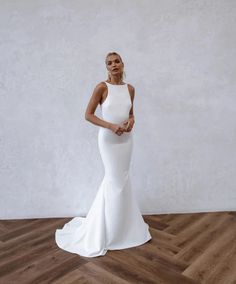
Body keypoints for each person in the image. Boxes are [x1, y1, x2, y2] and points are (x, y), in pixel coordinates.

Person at [55, 52, 152, 257]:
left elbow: (131, 113)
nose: (114, 65)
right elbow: (88, 114)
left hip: (126, 140)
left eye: (117, 61)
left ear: (123, 64)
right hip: (108, 140)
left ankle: (125, 229)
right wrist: (111, 126)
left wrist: (131, 121)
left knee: (123, 179)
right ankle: (107, 231)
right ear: (106, 67)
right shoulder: (101, 87)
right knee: (113, 179)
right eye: (109, 63)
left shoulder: (130, 89)